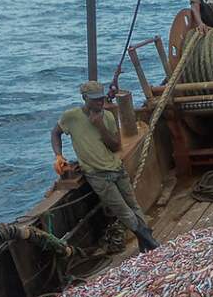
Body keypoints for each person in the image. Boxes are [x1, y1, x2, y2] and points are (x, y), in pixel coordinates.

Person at [51, 82, 158, 253]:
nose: (100, 102)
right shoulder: (71, 117)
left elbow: (116, 146)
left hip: (117, 169)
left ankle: (146, 242)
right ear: (85, 98)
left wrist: (100, 125)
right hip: (97, 175)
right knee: (123, 211)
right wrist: (58, 155)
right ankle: (151, 243)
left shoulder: (107, 116)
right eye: (95, 100)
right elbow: (55, 133)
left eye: (101, 98)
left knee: (133, 205)